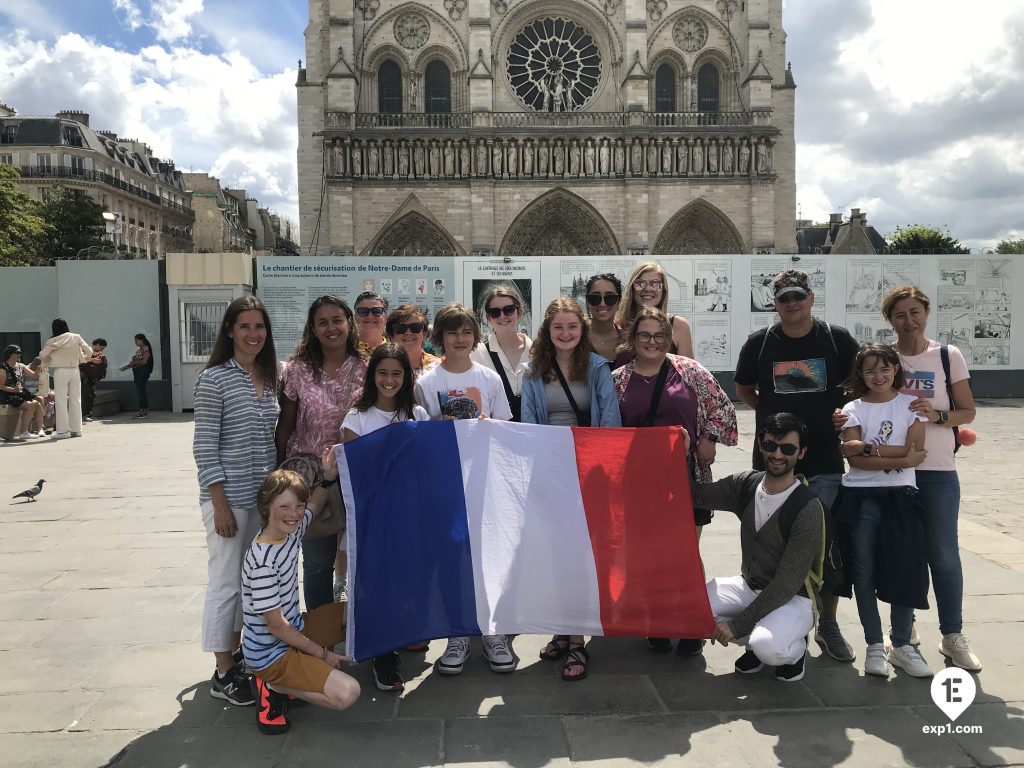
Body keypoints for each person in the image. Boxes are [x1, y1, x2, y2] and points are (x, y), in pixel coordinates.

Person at [734, 269, 860, 663]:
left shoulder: (837, 339)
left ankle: (828, 623)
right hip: (774, 460)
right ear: (775, 303)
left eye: (798, 296)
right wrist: (772, 414)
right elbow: (744, 389)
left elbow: (860, 384)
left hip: (823, 458)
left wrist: (846, 413)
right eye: (784, 297)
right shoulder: (759, 343)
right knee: (770, 546)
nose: (792, 303)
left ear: (810, 299)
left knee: (824, 547)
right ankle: (773, 624)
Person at [613, 307, 737, 655]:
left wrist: (708, 438)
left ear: (669, 339)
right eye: (644, 335)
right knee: (649, 554)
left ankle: (690, 622)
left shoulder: (689, 371)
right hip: (639, 482)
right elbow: (608, 427)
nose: (652, 342)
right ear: (633, 339)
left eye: (659, 336)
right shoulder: (618, 380)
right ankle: (659, 618)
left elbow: (722, 408)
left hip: (686, 476)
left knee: (685, 553)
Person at [521, 298, 622, 681]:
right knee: (555, 556)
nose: (565, 333)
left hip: (589, 473)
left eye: (572, 327)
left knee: (581, 555)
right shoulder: (533, 372)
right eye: (558, 327)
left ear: (582, 330)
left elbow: (610, 423)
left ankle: (577, 639)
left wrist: (599, 470)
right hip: (550, 472)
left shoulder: (597, 368)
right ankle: (564, 629)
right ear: (548, 331)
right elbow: (529, 426)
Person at [883, 285, 981, 672]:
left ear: (926, 312)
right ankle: (902, 633)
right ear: (890, 321)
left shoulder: (946, 355)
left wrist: (938, 415)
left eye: (915, 312)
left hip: (938, 470)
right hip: (895, 470)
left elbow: (967, 411)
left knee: (944, 556)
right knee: (904, 555)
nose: (909, 321)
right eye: (900, 315)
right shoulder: (885, 358)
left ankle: (952, 635)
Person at [414, 303, 515, 675]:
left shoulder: (489, 379)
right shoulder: (426, 384)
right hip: (445, 485)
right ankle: (456, 633)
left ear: (475, 337)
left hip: (485, 482)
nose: (460, 339)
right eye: (452, 332)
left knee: (489, 558)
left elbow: (507, 431)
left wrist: (489, 426)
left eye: (466, 332)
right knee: (451, 561)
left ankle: (492, 632)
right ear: (440, 338)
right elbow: (419, 436)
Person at [193, 296, 280, 707]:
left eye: (259, 326)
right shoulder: (214, 379)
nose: (252, 334)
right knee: (226, 583)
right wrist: (220, 504)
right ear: (230, 330)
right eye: (244, 326)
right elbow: (204, 446)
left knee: (249, 583)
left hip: (261, 502)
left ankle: (239, 652)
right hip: (228, 500)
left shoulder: (270, 375)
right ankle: (223, 669)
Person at [696, 413, 825, 683]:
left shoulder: (807, 507)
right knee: (694, 610)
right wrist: (679, 449)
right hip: (750, 585)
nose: (777, 454)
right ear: (759, 444)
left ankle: (793, 650)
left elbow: (786, 584)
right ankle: (756, 642)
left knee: (769, 646)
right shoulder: (746, 484)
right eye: (770, 445)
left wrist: (737, 626)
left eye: (787, 449)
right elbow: (696, 496)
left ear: (801, 452)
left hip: (794, 597)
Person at [243, 449, 360, 735]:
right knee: (348, 692)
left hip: (297, 629)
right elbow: (277, 627)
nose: (294, 514)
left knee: (360, 610)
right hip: (271, 655)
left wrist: (328, 476)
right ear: (266, 508)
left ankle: (300, 671)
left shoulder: (290, 531)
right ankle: (273, 684)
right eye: (284, 507)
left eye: (297, 505)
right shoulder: (261, 563)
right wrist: (323, 655)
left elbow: (315, 505)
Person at [836, 343, 931, 678]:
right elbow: (855, 461)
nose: (878, 376)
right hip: (861, 497)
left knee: (905, 569)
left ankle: (901, 645)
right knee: (864, 571)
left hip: (901, 496)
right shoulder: (853, 408)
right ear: (861, 375)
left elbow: (916, 452)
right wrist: (896, 455)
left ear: (895, 370)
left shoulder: (911, 405)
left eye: (884, 369)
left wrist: (865, 447)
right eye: (870, 370)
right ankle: (874, 644)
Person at [342, 343, 430, 693]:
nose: (389, 380)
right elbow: (356, 471)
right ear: (372, 376)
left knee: (403, 580)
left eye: (396, 373)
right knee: (375, 583)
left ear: (407, 377)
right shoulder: (357, 418)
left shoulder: (418, 415)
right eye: (382, 373)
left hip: (407, 514)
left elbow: (424, 465)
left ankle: (400, 636)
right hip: (373, 516)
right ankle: (382, 654)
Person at [276, 295, 367, 611]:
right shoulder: (297, 370)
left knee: (364, 558)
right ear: (313, 329)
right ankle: (320, 631)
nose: (331, 328)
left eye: (337, 320)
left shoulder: (366, 368)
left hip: (356, 475)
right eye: (323, 322)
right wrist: (279, 477)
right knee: (317, 563)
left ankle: (361, 629)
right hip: (312, 479)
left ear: (349, 323)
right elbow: (285, 426)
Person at [470, 285, 531, 422]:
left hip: (532, 429)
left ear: (519, 312)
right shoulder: (478, 354)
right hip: (495, 430)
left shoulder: (536, 352)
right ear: (488, 317)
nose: (502, 316)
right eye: (495, 312)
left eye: (509, 310)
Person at [615, 262, 694, 364]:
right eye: (640, 284)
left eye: (655, 284)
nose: (648, 289)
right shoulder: (619, 326)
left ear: (663, 291)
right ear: (632, 290)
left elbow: (689, 371)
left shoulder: (678, 326)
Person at [40, 318, 92, 439]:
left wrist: (49, 357)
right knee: (76, 399)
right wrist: (84, 359)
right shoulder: (76, 337)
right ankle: (76, 429)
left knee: (61, 401)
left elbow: (43, 355)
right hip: (75, 370)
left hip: (60, 371)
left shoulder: (53, 340)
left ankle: (63, 431)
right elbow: (89, 351)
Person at [1, 345, 44, 441]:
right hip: (7, 394)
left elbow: (33, 376)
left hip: (19, 392)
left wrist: (39, 369)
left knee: (37, 403)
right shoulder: (3, 367)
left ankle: (39, 429)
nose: (19, 355)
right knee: (30, 405)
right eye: (17, 352)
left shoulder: (21, 366)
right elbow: (1, 386)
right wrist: (13, 389)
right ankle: (24, 432)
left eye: (20, 353)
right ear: (10, 354)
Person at [386, 303, 440, 378]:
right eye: (401, 328)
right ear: (391, 336)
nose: (408, 332)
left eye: (415, 327)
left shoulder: (439, 368)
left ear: (424, 334)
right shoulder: (382, 367)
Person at [583, 273, 624, 363]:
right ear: (588, 302)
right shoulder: (576, 337)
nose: (602, 304)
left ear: (619, 303)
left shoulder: (628, 341)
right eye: (595, 298)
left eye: (610, 298)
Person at [80, 338, 108, 421]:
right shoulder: (86, 350)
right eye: (101, 348)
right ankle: (84, 415)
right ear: (98, 345)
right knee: (85, 395)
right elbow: (80, 359)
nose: (101, 350)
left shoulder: (95, 353)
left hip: (90, 377)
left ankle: (88, 414)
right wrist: (93, 360)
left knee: (92, 395)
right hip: (84, 377)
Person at [127, 333, 154, 418]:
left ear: (141, 340)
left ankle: (143, 411)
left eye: (136, 340)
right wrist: (133, 363)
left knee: (141, 391)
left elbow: (144, 361)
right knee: (140, 391)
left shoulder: (145, 349)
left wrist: (134, 362)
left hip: (142, 371)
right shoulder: (140, 349)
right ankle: (143, 410)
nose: (135, 342)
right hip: (138, 371)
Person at [354, 291, 388, 355]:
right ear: (355, 317)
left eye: (376, 311)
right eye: (363, 311)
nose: (370, 316)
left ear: (386, 317)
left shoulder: (396, 353)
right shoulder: (343, 351)